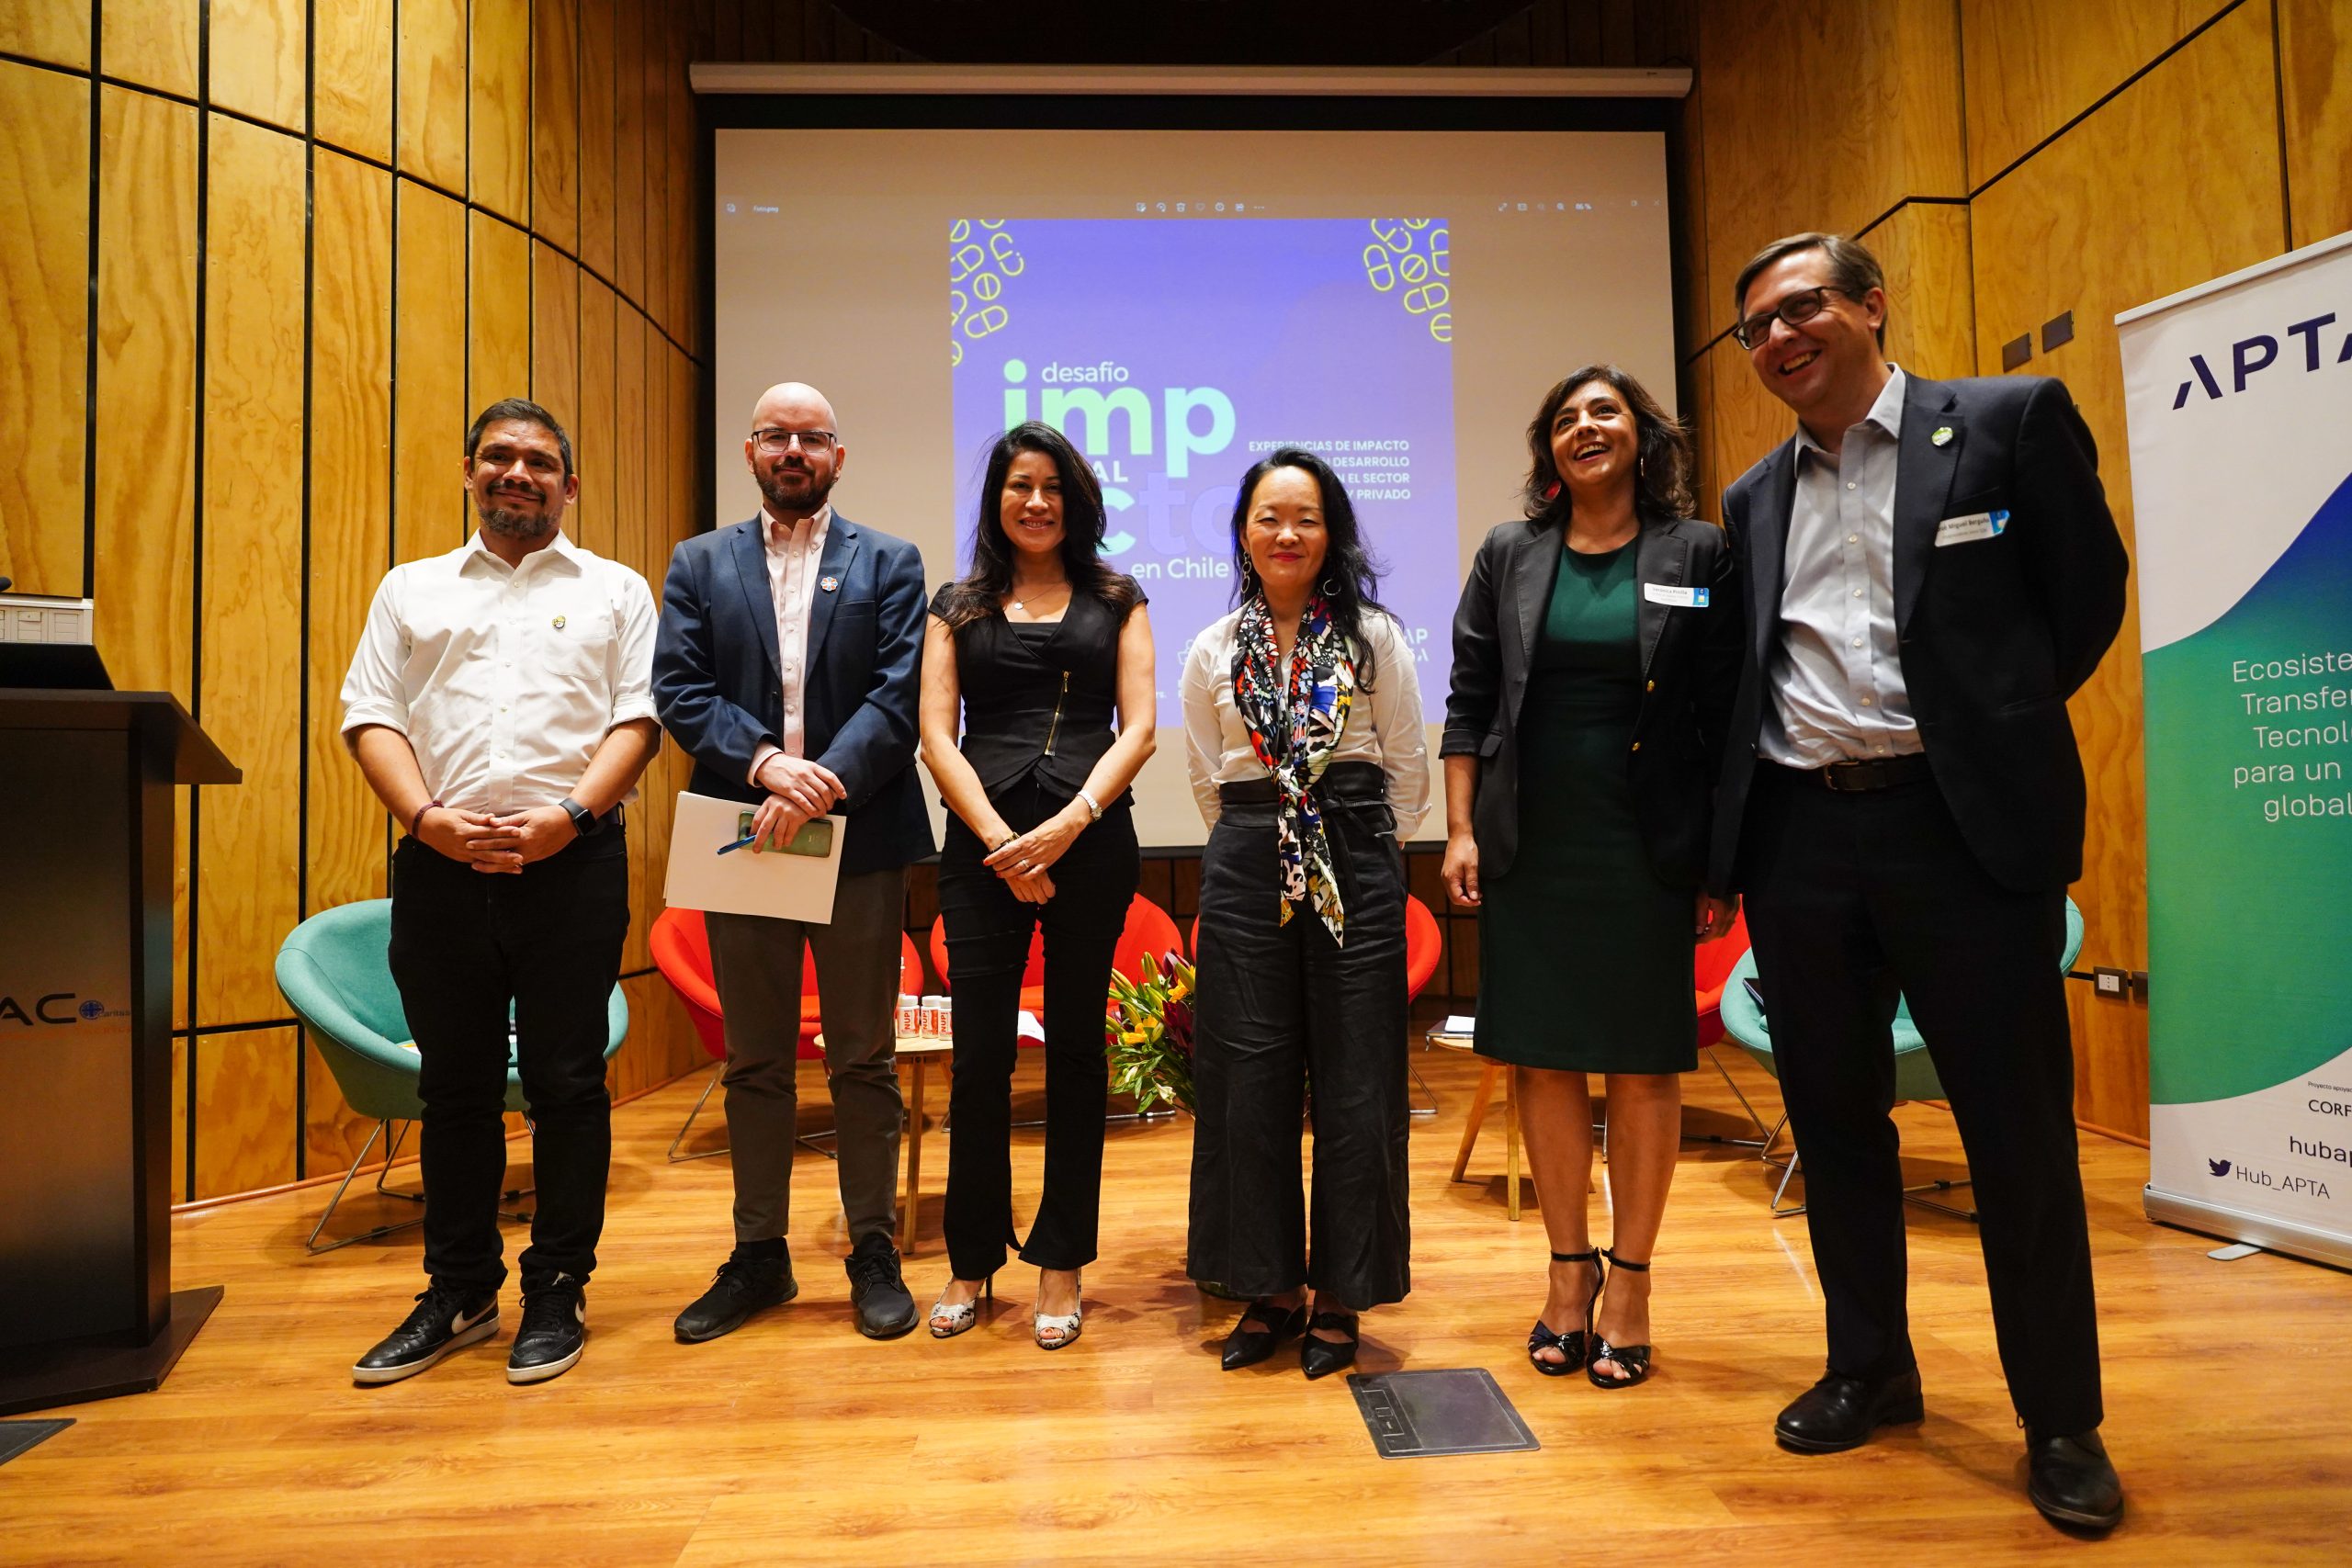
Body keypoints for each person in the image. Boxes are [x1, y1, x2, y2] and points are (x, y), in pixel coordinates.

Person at [1712, 232, 2129, 1529]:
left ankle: (2060, 1419)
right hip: (1804, 839)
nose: (1778, 339)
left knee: (2016, 1136)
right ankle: (1871, 1368)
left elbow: (2085, 597)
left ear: (1871, 306)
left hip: (1963, 834)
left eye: (1800, 308)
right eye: (1756, 328)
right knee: (1836, 1125)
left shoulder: (2004, 423)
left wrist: (1984, 725)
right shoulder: (1751, 497)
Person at [341, 399, 662, 1386]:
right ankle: (460, 1290)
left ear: (570, 484)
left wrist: (570, 816)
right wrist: (424, 820)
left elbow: (638, 722)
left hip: (572, 866)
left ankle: (557, 1287)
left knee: (567, 1085)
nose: (517, 473)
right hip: (441, 867)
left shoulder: (616, 590)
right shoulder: (411, 588)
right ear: (470, 472)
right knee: (455, 1089)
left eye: (538, 461)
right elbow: (372, 716)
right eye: (498, 457)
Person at [1441, 366, 1741, 1389]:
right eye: (1565, 419)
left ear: (1642, 435)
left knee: (1644, 1065)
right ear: (1549, 451)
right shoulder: (1509, 553)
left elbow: (1724, 713)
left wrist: (1719, 858)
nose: (1585, 428)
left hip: (1648, 846)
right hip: (1532, 842)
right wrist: (1459, 830)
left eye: (1603, 412)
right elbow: (1470, 699)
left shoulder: (1697, 550)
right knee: (1543, 1060)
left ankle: (1632, 1282)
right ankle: (1568, 1272)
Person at [652, 382, 933, 1342]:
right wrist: (769, 766)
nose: (793, 451)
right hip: (745, 835)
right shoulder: (699, 562)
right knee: (757, 1059)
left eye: (812, 437)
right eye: (776, 435)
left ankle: (872, 1249)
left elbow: (899, 696)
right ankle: (759, 1255)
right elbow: (679, 689)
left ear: (838, 457)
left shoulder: (890, 561)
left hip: (861, 838)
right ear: (750, 451)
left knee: (863, 1057)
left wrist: (821, 783)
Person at [1182, 446, 1430, 1381]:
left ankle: (1340, 1295)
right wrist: (1267, 841)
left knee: (1357, 1082)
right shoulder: (1213, 647)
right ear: (1244, 533)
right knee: (1247, 1080)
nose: (1287, 533)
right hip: (1247, 863)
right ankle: (1269, 1287)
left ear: (1332, 535)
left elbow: (1405, 769)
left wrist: (1354, 847)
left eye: (1307, 518)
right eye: (1269, 517)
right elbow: (1208, 779)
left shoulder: (1374, 639)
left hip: (1354, 856)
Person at [919, 423, 1156, 1350]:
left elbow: (1139, 728)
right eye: (1020, 485)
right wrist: (1001, 843)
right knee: (979, 1060)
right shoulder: (957, 604)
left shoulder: (1117, 598)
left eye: (1053, 486)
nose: (1036, 501)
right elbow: (936, 734)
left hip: (1089, 842)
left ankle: (1062, 1259)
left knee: (1075, 1056)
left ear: (1076, 500)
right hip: (982, 852)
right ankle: (971, 1258)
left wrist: (1066, 827)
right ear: (997, 499)